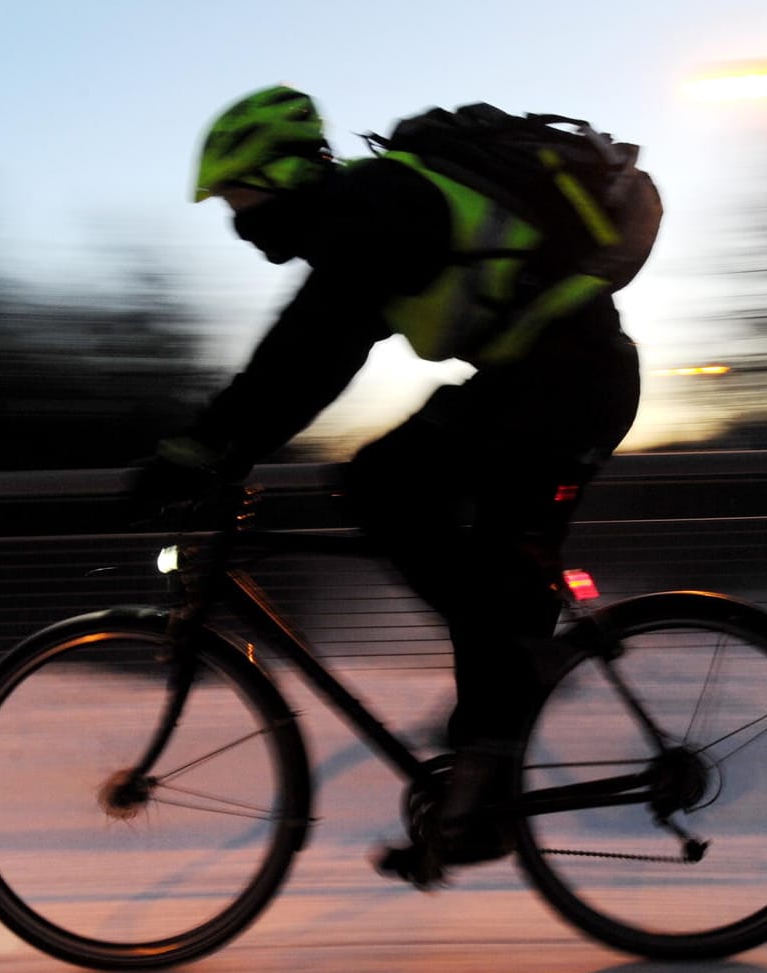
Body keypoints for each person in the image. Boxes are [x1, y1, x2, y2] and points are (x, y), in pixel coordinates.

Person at [134, 85, 645, 886]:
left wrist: (202, 448)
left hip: (564, 384)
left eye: (239, 195)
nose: (237, 219)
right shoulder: (367, 216)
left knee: (384, 485)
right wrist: (222, 444)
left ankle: (508, 688)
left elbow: (307, 351)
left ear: (281, 176)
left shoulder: (375, 208)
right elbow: (311, 356)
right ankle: (487, 757)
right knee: (447, 534)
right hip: (546, 380)